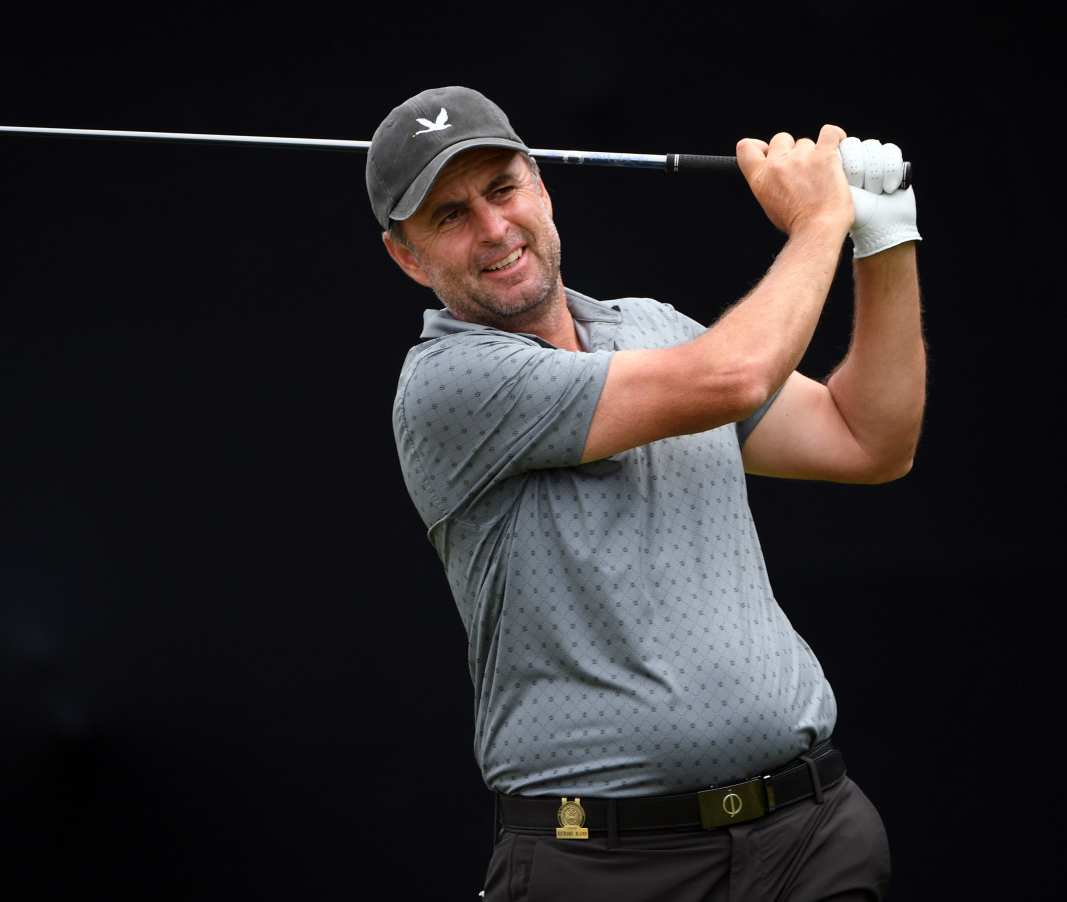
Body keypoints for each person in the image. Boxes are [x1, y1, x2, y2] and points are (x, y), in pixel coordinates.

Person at [368, 86, 923, 901]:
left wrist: (884, 236)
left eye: (502, 189)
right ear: (407, 257)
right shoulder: (447, 386)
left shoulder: (656, 329)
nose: (493, 229)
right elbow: (734, 374)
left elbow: (868, 439)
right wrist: (819, 221)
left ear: (541, 185)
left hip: (811, 839)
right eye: (449, 216)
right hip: (610, 866)